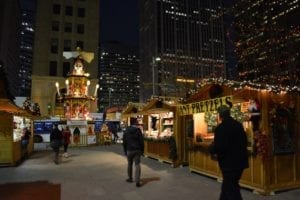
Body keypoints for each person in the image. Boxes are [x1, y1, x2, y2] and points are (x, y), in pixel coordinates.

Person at [209, 105, 249, 200]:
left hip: (228, 164)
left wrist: (211, 149)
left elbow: (219, 146)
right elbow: (245, 142)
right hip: (240, 162)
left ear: (220, 115)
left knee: (231, 189)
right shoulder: (238, 125)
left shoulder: (221, 128)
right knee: (229, 185)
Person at [123, 117, 144, 187]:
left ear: (130, 122)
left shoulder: (126, 130)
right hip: (137, 150)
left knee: (129, 164)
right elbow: (141, 141)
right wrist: (142, 150)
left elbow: (124, 141)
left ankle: (130, 178)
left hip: (129, 150)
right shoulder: (138, 130)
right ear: (135, 122)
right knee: (137, 165)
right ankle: (137, 181)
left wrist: (125, 150)